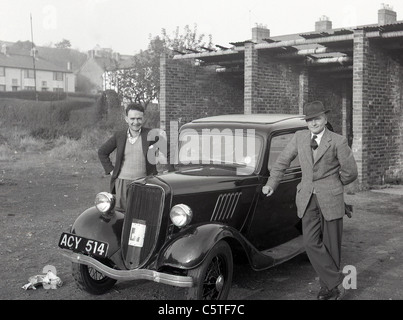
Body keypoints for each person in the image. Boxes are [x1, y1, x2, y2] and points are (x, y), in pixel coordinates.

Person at [262, 101, 358, 300]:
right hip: (306, 198)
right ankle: (336, 281)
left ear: (325, 118)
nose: (314, 123)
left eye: (317, 118)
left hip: (331, 198)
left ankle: (328, 289)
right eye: (310, 120)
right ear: (306, 122)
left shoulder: (338, 141)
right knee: (310, 242)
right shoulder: (299, 137)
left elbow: (351, 172)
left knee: (332, 246)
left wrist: (335, 184)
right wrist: (272, 183)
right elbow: (282, 161)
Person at [98, 103, 165, 212]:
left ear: (143, 119)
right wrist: (111, 170)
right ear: (126, 119)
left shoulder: (151, 134)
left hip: (145, 183)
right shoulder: (119, 136)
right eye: (132, 118)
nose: (135, 122)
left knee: (144, 213)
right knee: (122, 215)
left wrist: (171, 170)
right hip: (123, 184)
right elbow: (102, 152)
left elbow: (167, 148)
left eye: (139, 119)